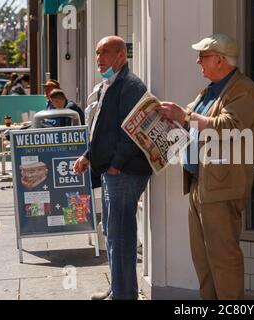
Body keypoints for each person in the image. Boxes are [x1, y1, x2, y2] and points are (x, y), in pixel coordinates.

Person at [158, 34, 254, 300]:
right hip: (199, 184)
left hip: (222, 187)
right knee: (203, 259)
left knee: (223, 259)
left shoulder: (243, 88)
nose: (198, 61)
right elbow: (191, 120)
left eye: (202, 56)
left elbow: (231, 127)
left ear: (220, 59)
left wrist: (185, 115)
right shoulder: (210, 89)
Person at [73, 36, 152, 300]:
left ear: (121, 55)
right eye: (97, 53)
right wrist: (87, 156)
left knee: (120, 236)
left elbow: (133, 131)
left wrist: (116, 165)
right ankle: (119, 288)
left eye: (105, 52)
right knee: (111, 231)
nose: (99, 58)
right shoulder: (110, 84)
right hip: (112, 171)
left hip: (125, 173)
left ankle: (123, 294)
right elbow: (103, 131)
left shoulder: (130, 86)